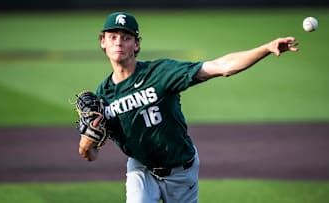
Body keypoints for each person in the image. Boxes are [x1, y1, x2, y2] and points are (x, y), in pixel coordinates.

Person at [78, 11, 299, 203]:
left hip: (181, 169)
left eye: (126, 38)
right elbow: (91, 155)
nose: (118, 43)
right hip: (141, 169)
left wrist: (267, 48)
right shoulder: (102, 97)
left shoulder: (160, 73)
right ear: (102, 42)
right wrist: (87, 143)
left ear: (136, 44)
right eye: (113, 37)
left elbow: (220, 67)